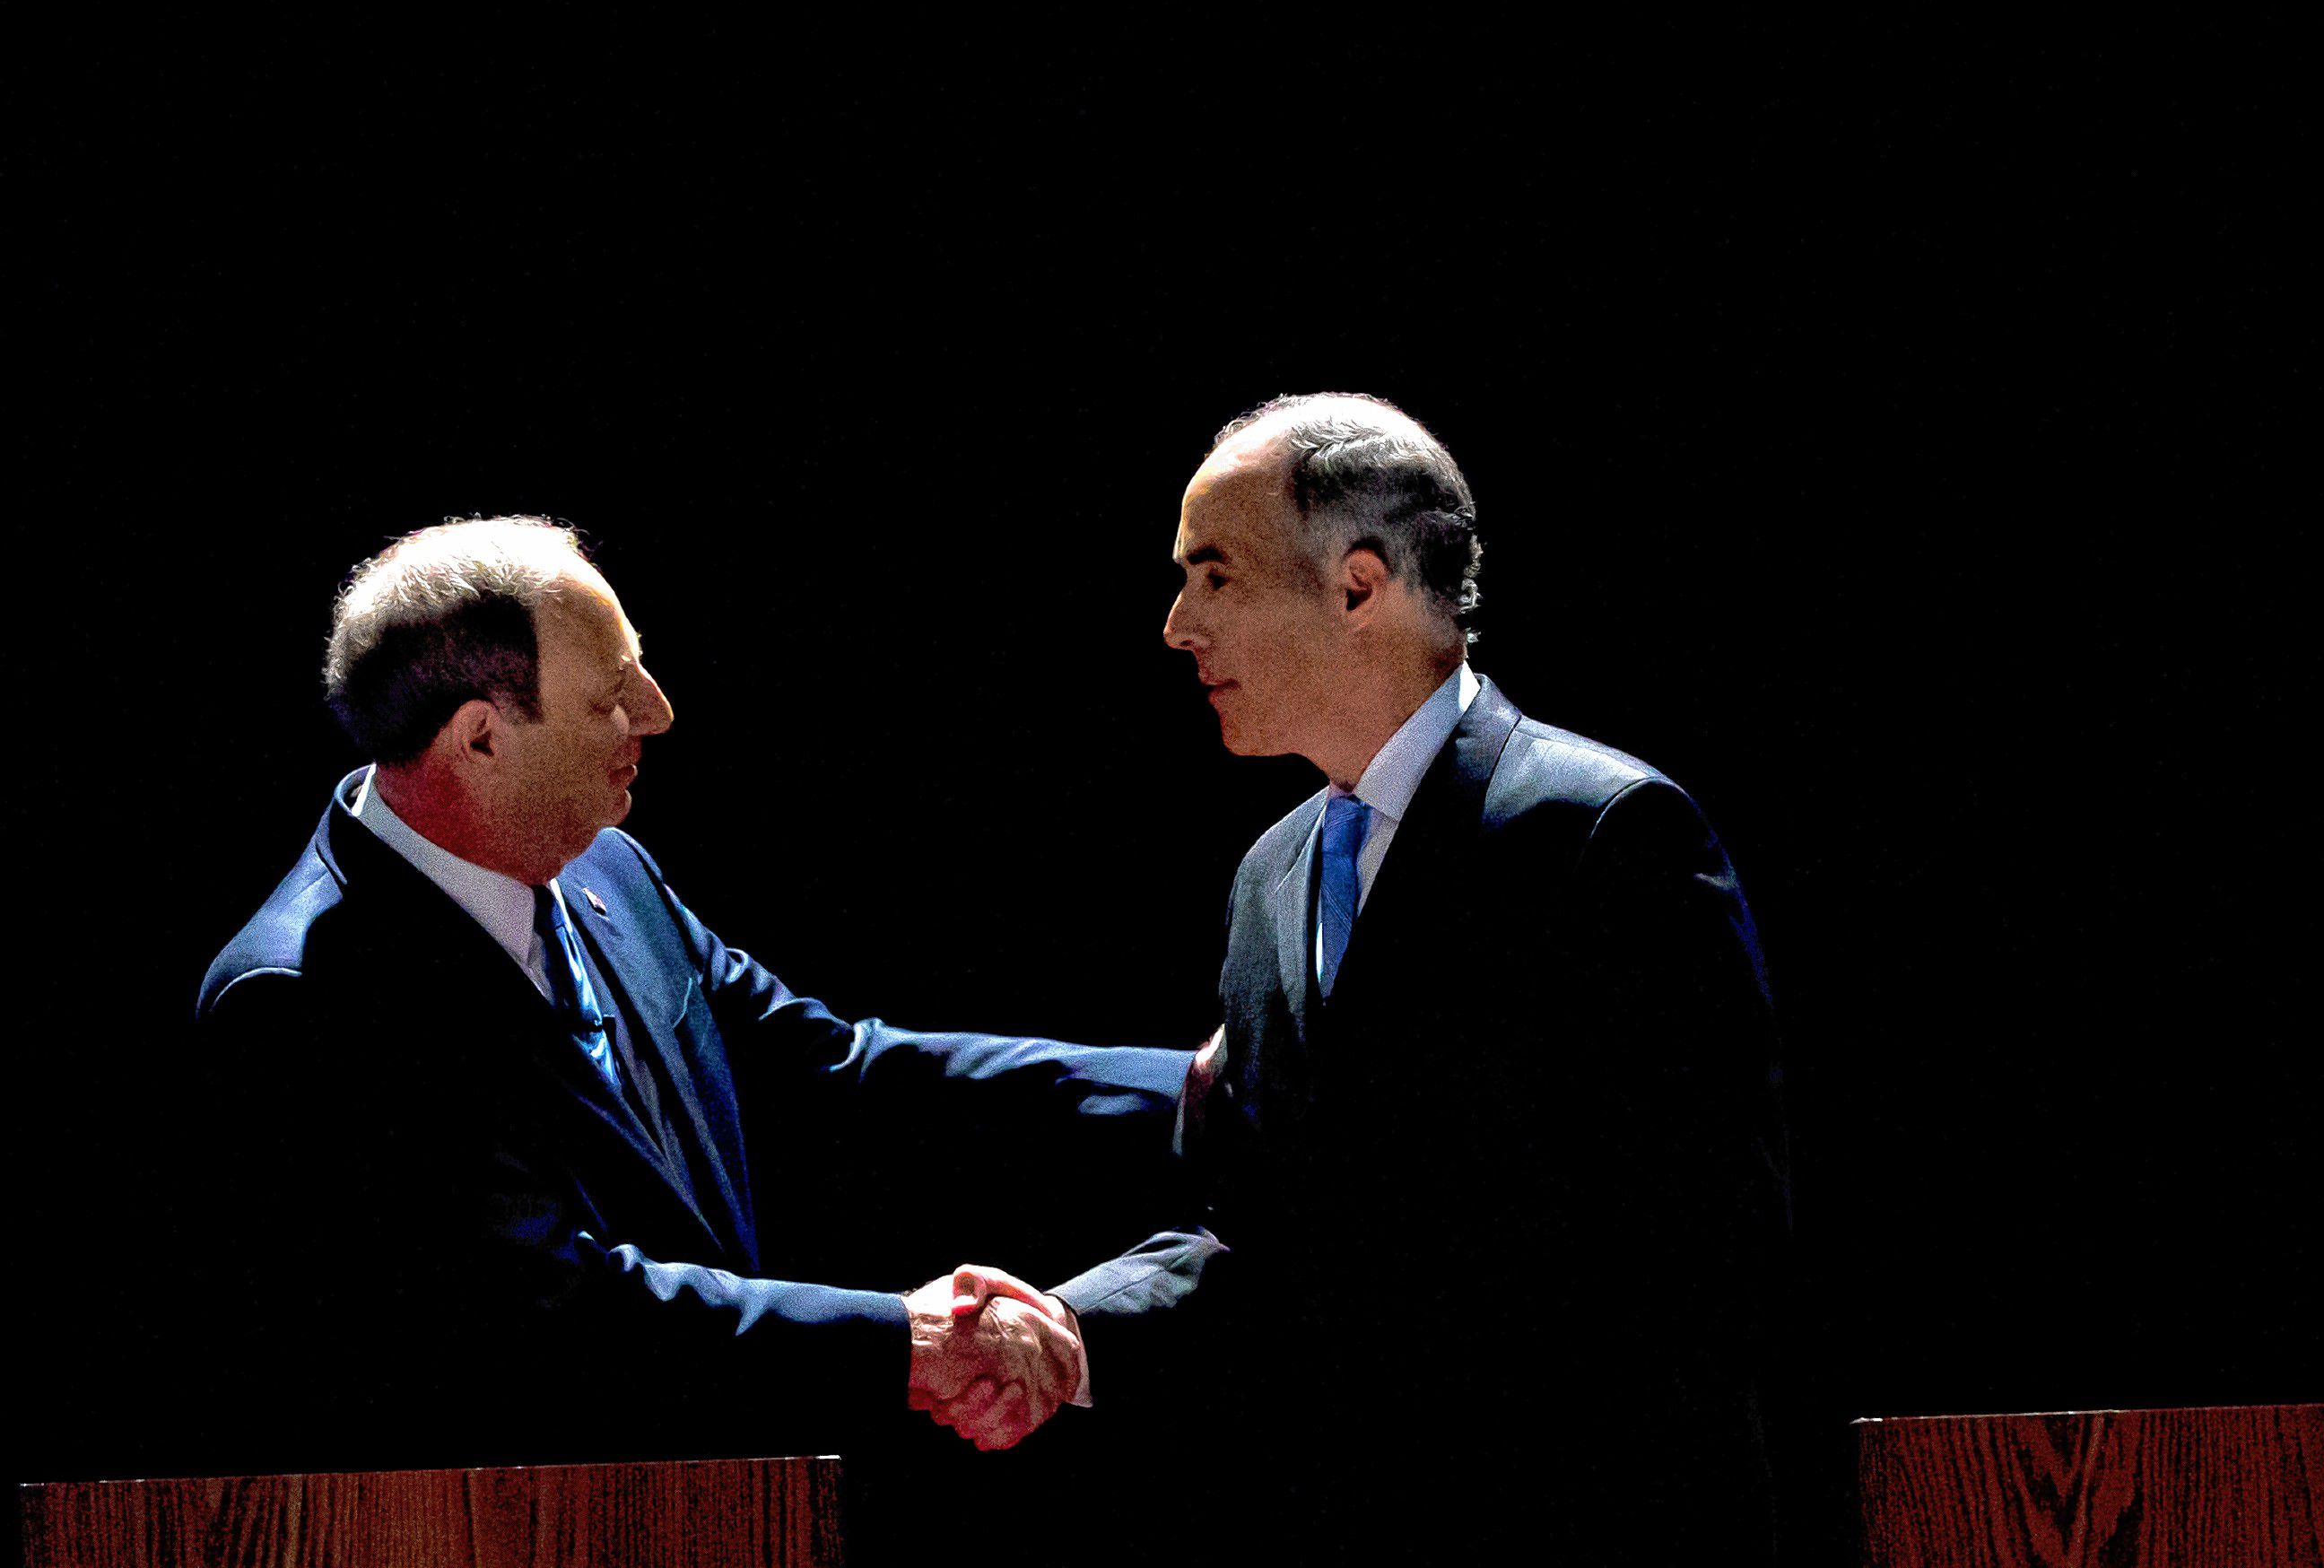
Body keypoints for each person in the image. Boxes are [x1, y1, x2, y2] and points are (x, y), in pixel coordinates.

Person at [196, 517, 1178, 1474]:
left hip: (723, 1509)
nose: (658, 713)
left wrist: (1215, 1082)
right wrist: (901, 1338)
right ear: (481, 739)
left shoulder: (609, 871)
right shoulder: (303, 997)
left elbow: (839, 1068)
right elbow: (537, 1310)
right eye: (611, 695)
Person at [1012, 394, 1795, 1558]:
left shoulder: (1607, 837)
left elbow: (1701, 1270)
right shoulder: (1268, 877)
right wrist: (1064, 1326)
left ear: (1358, 586)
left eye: (1213, 575)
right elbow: (1255, 1229)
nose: (1177, 624)